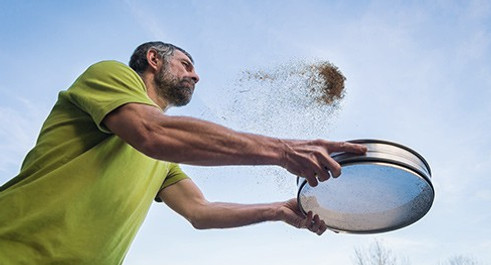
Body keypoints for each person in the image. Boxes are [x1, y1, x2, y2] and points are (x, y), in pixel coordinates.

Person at [0, 41, 366, 264]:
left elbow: (200, 212)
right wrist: (284, 151)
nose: (196, 76)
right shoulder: (112, 76)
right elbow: (149, 131)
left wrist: (277, 210)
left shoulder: (163, 157)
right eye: (186, 66)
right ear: (153, 60)